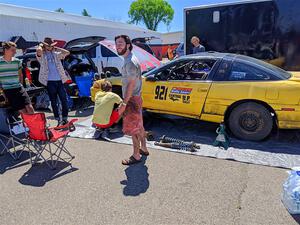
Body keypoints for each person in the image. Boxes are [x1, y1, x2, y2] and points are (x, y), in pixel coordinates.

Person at [115, 35, 149, 165]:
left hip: (131, 100)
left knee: (133, 128)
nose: (118, 46)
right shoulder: (128, 59)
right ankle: (144, 149)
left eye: (121, 43)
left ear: (128, 45)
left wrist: (124, 103)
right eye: (117, 43)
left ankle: (136, 155)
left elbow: (131, 84)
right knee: (139, 125)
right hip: (135, 98)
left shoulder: (130, 62)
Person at [36, 37, 70, 126]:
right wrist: (41, 45)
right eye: (48, 46)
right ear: (45, 46)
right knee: (54, 101)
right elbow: (38, 51)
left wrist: (56, 48)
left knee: (64, 100)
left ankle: (65, 118)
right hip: (50, 82)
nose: (50, 47)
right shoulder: (42, 55)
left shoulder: (56, 53)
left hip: (60, 80)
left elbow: (67, 52)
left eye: (51, 46)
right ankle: (58, 119)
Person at [0, 41, 34, 114]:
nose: (15, 52)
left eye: (15, 50)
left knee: (30, 108)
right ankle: (27, 125)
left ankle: (35, 125)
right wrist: (2, 91)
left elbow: (20, 75)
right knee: (23, 111)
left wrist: (21, 85)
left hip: (19, 88)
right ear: (6, 50)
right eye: (13, 50)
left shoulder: (17, 61)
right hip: (8, 90)